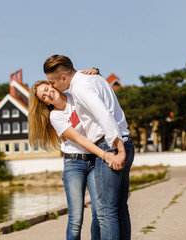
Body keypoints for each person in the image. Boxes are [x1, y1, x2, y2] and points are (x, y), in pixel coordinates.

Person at [43, 55, 135, 240]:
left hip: (110, 145)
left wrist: (118, 149)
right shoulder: (93, 78)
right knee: (119, 208)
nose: (52, 87)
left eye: (52, 82)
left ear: (63, 78)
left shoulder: (80, 88)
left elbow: (103, 115)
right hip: (124, 140)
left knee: (106, 212)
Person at [28, 80, 124, 240]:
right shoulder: (55, 116)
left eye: (46, 89)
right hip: (74, 164)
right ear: (45, 102)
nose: (48, 95)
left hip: (94, 160)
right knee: (76, 218)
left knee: (98, 211)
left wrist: (94, 71)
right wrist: (105, 155)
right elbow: (79, 139)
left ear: (51, 85)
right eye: (43, 97)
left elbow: (86, 85)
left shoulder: (75, 95)